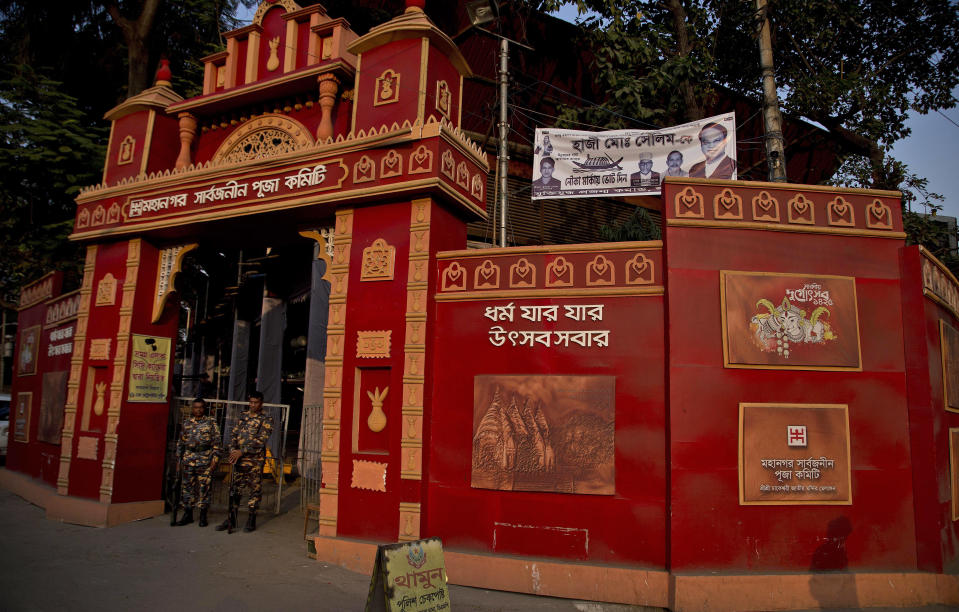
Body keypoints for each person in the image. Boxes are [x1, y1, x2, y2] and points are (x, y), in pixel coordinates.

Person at [216, 391, 274, 533]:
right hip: (239, 460)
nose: (253, 405)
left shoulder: (266, 419)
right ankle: (231, 518)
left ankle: (251, 519)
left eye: (256, 402)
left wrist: (242, 451)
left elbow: (261, 440)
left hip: (254, 461)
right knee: (235, 489)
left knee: (254, 490)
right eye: (251, 402)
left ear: (261, 403)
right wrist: (232, 450)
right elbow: (234, 434)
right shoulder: (243, 416)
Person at [173, 397, 221, 527]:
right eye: (195, 407)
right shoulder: (187, 423)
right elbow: (181, 443)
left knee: (204, 488)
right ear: (192, 409)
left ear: (204, 409)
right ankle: (187, 514)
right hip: (188, 459)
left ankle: (203, 516)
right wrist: (178, 461)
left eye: (200, 407)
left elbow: (217, 443)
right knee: (187, 488)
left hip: (204, 459)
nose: (198, 410)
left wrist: (215, 460)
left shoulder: (211, 423)